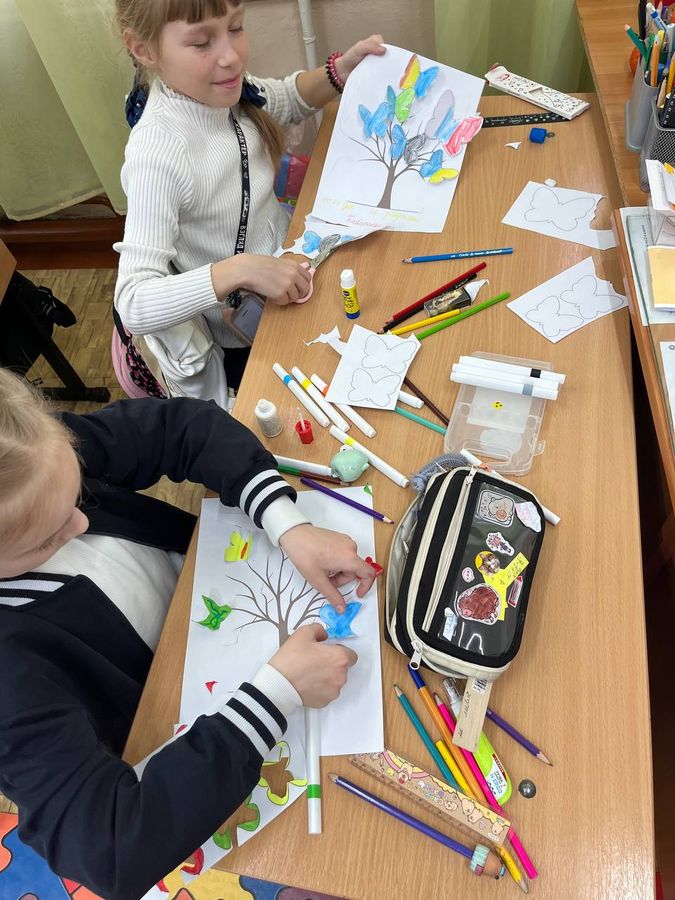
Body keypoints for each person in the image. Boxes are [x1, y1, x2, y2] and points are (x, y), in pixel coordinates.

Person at [0, 368, 376, 899]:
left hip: (202, 589)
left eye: (78, 491)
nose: (81, 523)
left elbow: (184, 427)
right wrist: (277, 694)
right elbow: (110, 848)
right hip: (177, 723)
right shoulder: (10, 689)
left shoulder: (23, 453)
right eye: (48, 537)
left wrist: (286, 522)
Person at [113, 0, 385, 401]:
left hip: (290, 271)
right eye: (202, 42)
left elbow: (284, 99)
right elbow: (134, 301)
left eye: (236, 27)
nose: (231, 56)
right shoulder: (158, 153)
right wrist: (240, 270)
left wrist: (341, 70)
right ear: (144, 49)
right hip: (245, 337)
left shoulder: (220, 89)